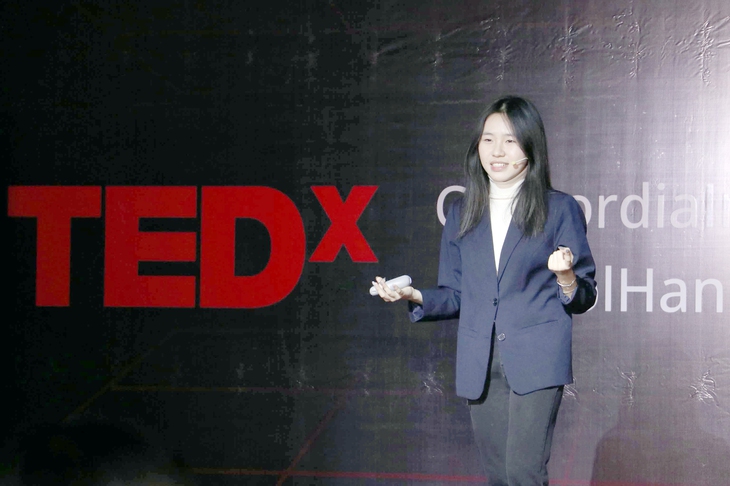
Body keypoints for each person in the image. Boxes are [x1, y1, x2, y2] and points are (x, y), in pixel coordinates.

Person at [372, 96, 597, 486]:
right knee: (499, 476)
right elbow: (456, 294)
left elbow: (584, 295)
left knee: (523, 472)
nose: (497, 151)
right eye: (488, 139)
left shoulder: (558, 208)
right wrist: (413, 296)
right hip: (480, 360)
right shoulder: (462, 212)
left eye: (510, 141)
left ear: (530, 147)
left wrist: (565, 276)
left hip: (537, 357)